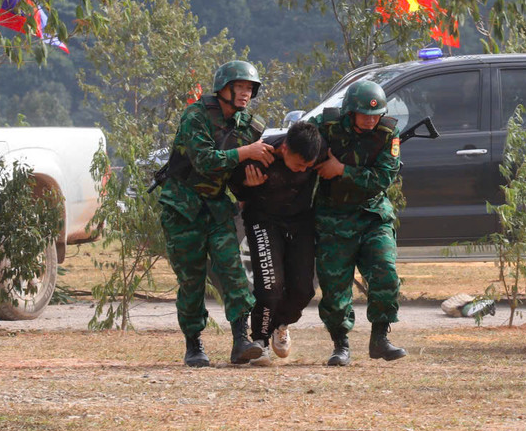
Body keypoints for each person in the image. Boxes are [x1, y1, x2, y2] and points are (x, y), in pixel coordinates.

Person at [158, 60, 275, 368]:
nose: (246, 94)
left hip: (217, 207)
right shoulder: (195, 116)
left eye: (250, 88)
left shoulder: (249, 125)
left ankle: (241, 341)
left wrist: (253, 183)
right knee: (192, 278)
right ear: (223, 88)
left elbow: (246, 171)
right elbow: (204, 161)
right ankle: (194, 344)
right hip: (182, 208)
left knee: (233, 273)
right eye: (240, 87)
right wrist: (246, 152)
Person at [311, 80, 407, 367]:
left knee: (386, 274)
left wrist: (340, 169)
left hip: (372, 215)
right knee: (335, 286)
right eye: (364, 114)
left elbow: (383, 178)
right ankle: (340, 344)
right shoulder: (325, 126)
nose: (370, 119)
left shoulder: (388, 132)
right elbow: (300, 149)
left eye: (375, 114)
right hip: (333, 217)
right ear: (349, 112)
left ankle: (380, 337)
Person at [234, 119, 327, 361]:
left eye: (308, 166)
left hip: (300, 222)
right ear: (285, 149)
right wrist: (246, 184)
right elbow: (235, 187)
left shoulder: (320, 150)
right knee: (270, 289)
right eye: (298, 164)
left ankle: (280, 325)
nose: (302, 170)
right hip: (263, 220)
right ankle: (260, 341)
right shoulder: (260, 154)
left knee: (304, 290)